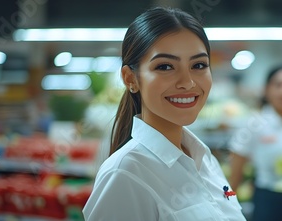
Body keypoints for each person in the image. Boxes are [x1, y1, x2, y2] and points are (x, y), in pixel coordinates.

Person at [83, 7, 246, 221]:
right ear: (130, 79)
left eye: (198, 65)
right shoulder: (125, 174)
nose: (187, 82)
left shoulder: (205, 159)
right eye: (165, 67)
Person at [228, 66, 282, 221]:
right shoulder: (253, 124)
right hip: (268, 198)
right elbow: (236, 172)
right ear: (267, 90)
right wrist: (227, 204)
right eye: (279, 85)